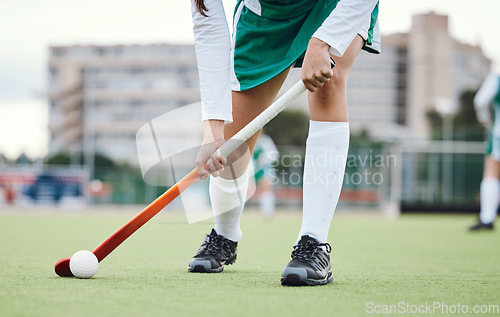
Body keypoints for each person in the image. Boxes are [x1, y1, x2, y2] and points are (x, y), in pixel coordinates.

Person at [188, 0, 380, 286]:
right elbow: (209, 25)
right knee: (231, 147)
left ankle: (313, 243)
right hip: (266, 14)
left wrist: (323, 41)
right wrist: (212, 127)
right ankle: (225, 234)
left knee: (328, 82)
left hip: (333, 4)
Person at [469, 73, 500, 231]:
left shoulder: (496, 79)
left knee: (492, 172)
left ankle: (487, 218)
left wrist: (484, 116)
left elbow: (480, 101)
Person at [249, 133, 279, 219]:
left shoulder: (265, 140)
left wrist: (262, 159)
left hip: (265, 169)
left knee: (265, 189)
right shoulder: (249, 140)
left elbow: (274, 154)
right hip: (252, 170)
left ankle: (267, 212)